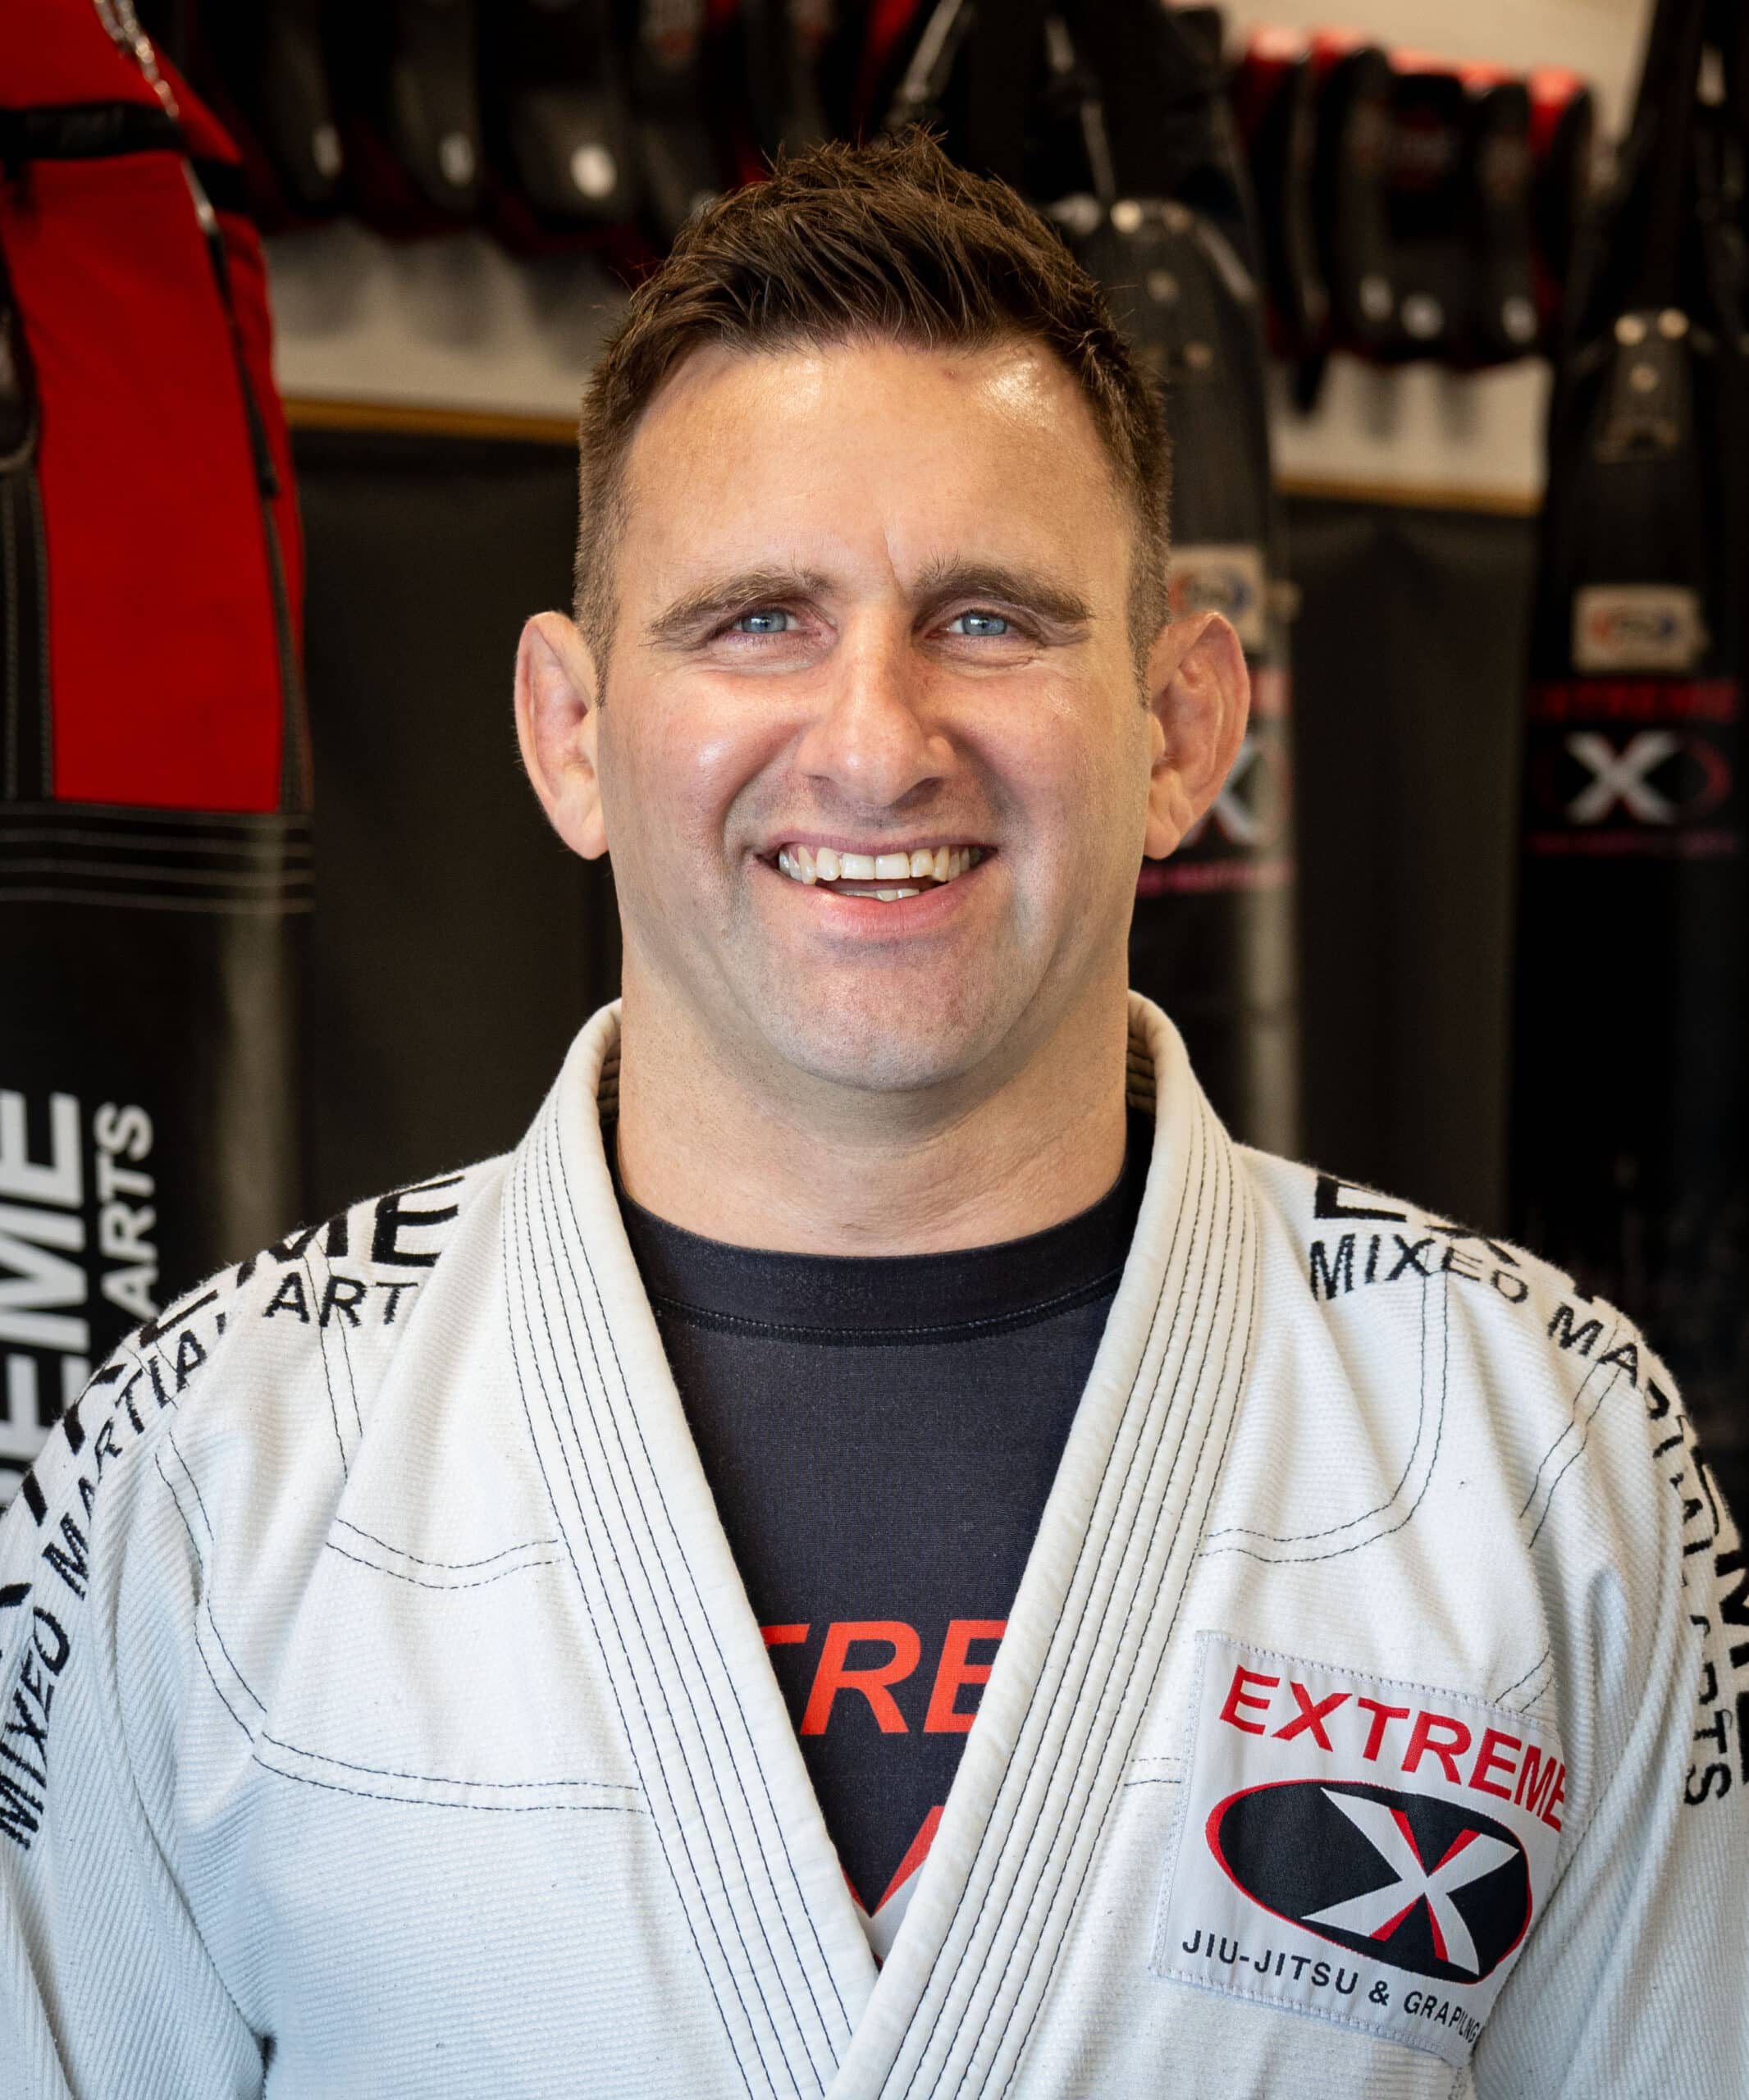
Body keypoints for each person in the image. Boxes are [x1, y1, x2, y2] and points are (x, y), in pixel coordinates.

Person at [1, 130, 1744, 2100]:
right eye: (757, 618)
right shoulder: (212, 1459)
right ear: (570, 733)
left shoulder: (1538, 1447)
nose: (873, 742)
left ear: (1180, 727)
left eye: (987, 617)